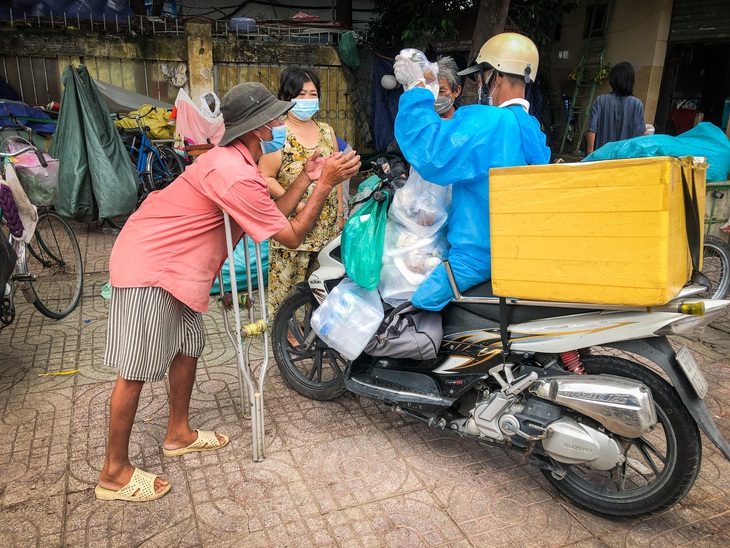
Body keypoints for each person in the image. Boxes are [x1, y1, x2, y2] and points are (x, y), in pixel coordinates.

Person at [95, 82, 360, 502]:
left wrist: (308, 178)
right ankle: (114, 472)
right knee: (136, 367)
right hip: (151, 266)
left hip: (177, 269)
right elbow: (290, 236)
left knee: (189, 344)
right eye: (274, 118)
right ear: (258, 128)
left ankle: (178, 433)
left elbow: (270, 214)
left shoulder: (238, 162)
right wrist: (325, 184)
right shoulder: (232, 171)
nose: (281, 123)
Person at [393, 32, 551, 311]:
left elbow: (430, 153)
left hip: (476, 257)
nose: (479, 84)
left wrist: (416, 88)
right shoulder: (532, 129)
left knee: (411, 306)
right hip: (512, 252)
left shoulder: (488, 122)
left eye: (481, 76)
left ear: (495, 77)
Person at [259, 67, 347, 318]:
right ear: (286, 98)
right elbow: (265, 177)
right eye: (301, 94)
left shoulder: (326, 131)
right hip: (292, 225)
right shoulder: (278, 134)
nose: (308, 100)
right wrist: (297, 205)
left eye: (313, 94)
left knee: (322, 284)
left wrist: (340, 212)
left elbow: (336, 174)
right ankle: (286, 333)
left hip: (326, 227)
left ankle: (314, 329)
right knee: (288, 286)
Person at [586, 62, 646, 154]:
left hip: (601, 157)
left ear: (612, 80)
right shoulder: (637, 104)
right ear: (631, 81)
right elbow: (640, 135)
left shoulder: (600, 101)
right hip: (624, 160)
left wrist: (590, 153)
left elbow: (592, 129)